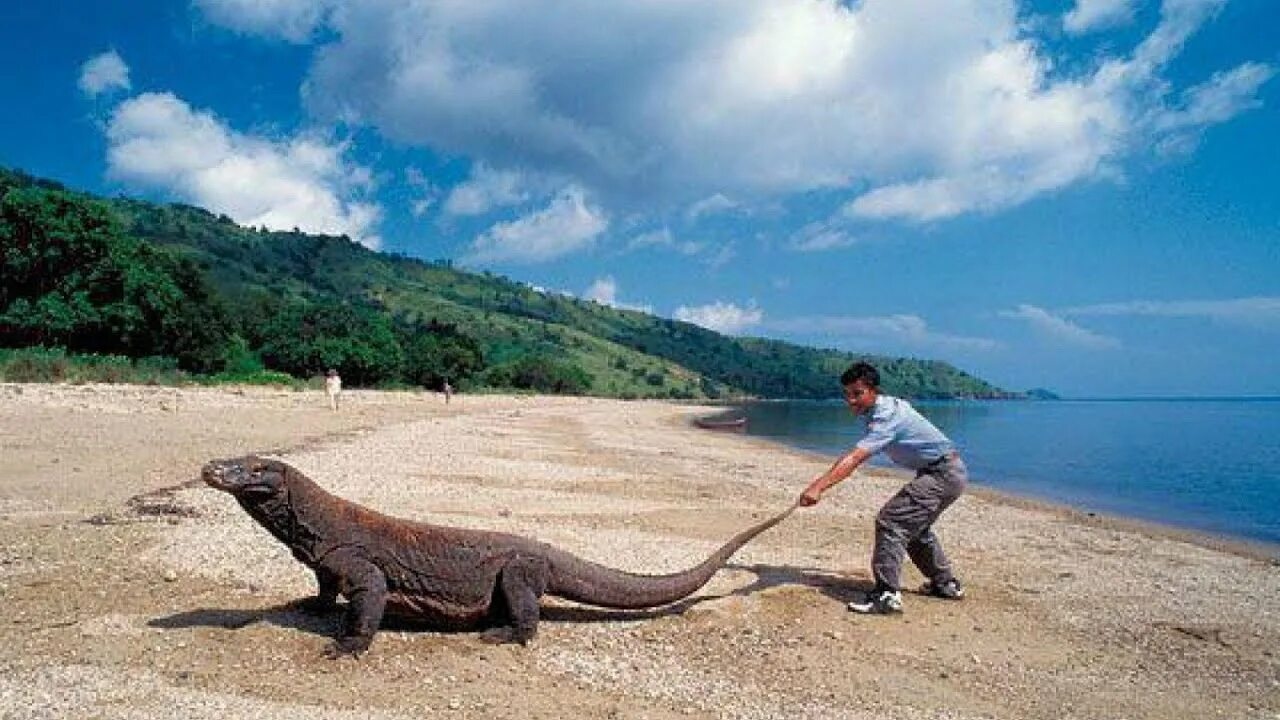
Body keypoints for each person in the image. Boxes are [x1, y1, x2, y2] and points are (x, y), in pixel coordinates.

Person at [799, 361, 968, 615]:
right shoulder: (882, 410)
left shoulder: (887, 416)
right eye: (847, 394)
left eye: (858, 394)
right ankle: (945, 584)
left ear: (873, 390)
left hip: (942, 473)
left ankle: (886, 595)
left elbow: (854, 458)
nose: (851, 401)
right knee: (915, 529)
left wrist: (817, 487)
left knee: (891, 522)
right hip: (945, 472)